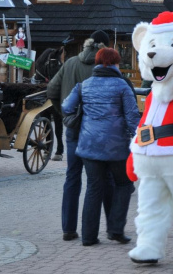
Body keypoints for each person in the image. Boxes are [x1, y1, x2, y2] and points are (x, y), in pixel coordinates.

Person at [61, 48, 140, 246]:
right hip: (116, 147)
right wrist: (140, 139)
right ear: (115, 64)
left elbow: (66, 107)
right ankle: (115, 229)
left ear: (97, 63)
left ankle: (88, 237)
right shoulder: (122, 85)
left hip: (89, 145)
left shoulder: (84, 85)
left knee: (93, 188)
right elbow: (132, 117)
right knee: (124, 184)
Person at [47, 30, 110, 241]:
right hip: (97, 131)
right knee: (100, 179)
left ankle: (68, 228)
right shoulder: (104, 67)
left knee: (72, 176)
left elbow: (52, 90)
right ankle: (109, 228)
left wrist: (64, 113)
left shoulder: (71, 62)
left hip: (73, 128)